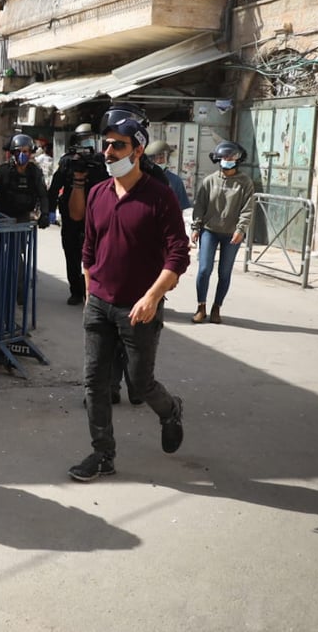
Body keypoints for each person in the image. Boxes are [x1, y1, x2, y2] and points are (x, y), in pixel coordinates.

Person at [68, 109, 190, 482]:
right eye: (105, 145)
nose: (108, 152)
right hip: (100, 303)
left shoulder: (159, 197)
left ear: (137, 150)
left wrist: (152, 297)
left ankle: (169, 411)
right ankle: (102, 454)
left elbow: (178, 255)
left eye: (118, 146)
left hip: (140, 307)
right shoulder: (98, 193)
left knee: (140, 383)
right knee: (95, 384)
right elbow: (88, 249)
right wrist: (91, 293)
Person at [190, 140, 256, 325]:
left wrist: (241, 229)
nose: (227, 160)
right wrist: (196, 228)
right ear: (218, 159)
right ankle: (201, 307)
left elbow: (247, 209)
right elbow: (200, 206)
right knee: (204, 270)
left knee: (224, 273)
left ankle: (216, 308)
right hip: (209, 231)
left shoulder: (245, 182)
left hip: (231, 234)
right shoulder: (210, 181)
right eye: (224, 157)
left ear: (237, 159)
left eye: (231, 157)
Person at [48, 123, 107, 305]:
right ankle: (75, 290)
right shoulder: (67, 162)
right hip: (71, 217)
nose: (87, 145)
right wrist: (49, 210)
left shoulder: (100, 162)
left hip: (95, 217)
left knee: (97, 255)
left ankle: (94, 290)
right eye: (83, 140)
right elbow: (55, 186)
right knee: (72, 254)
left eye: (90, 139)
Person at [0, 133, 49, 228]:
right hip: (4, 216)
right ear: (13, 153)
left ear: (30, 153)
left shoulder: (35, 172)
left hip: (23, 216)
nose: (21, 154)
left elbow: (43, 195)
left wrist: (45, 213)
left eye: (25, 151)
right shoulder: (2, 170)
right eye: (18, 151)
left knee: (21, 242)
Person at [145, 140, 191, 210]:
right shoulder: (143, 179)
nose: (158, 161)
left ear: (167, 158)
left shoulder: (176, 181)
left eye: (161, 158)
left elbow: (184, 207)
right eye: (155, 158)